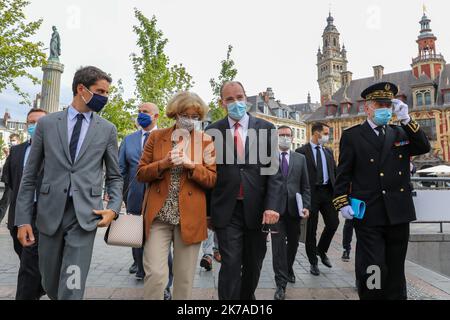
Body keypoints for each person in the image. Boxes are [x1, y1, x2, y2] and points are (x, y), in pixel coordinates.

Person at [15, 66, 123, 300]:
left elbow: (115, 176)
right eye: (100, 91)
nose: (105, 98)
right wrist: (23, 219)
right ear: (81, 89)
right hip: (49, 212)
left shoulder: (107, 130)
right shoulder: (48, 124)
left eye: (107, 93)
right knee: (50, 280)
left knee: (72, 282)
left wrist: (113, 208)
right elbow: (30, 175)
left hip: (84, 214)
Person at [333, 82, 431, 300]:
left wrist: (407, 119)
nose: (386, 109)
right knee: (373, 266)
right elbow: (343, 174)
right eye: (380, 104)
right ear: (367, 108)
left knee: (396, 268)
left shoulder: (399, 132)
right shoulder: (353, 136)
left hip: (399, 212)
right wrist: (342, 202)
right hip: (370, 213)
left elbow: (424, 147)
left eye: (389, 104)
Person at [206, 81, 283, 300]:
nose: (236, 102)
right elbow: (208, 175)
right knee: (230, 263)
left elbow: (274, 173)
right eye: (229, 99)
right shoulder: (212, 131)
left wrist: (272, 206)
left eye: (239, 97)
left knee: (254, 263)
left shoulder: (266, 129)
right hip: (226, 210)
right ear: (222, 103)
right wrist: (207, 211)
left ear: (246, 99)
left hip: (258, 210)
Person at [137, 91, 216, 300]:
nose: (189, 120)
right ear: (175, 113)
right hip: (158, 218)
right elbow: (141, 173)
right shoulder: (156, 136)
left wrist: (192, 166)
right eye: (185, 114)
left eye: (195, 117)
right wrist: (164, 164)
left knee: (184, 279)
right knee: (155, 274)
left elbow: (211, 179)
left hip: (189, 218)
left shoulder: (205, 141)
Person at [4, 108, 47, 299]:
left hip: (42, 214)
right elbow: (11, 183)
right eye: (31, 122)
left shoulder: (55, 153)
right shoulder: (16, 151)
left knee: (29, 267)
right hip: (19, 215)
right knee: (28, 261)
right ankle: (40, 288)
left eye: (39, 122)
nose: (34, 125)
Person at [119, 102, 159, 281]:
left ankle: (155, 267)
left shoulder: (165, 137)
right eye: (139, 112)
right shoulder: (129, 140)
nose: (141, 114)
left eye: (145, 112)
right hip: (134, 193)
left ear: (156, 116)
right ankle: (139, 265)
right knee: (135, 230)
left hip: (158, 193)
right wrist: (119, 195)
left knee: (157, 232)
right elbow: (121, 169)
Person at [271, 125, 311, 300]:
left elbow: (306, 186)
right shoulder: (269, 158)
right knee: (278, 248)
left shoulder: (300, 159)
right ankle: (281, 284)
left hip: (295, 209)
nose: (285, 138)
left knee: (293, 244)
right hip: (275, 211)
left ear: (293, 138)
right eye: (281, 135)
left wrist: (306, 206)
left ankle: (288, 268)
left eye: (288, 135)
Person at [296, 122, 339, 276]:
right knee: (311, 231)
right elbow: (297, 176)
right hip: (311, 194)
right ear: (316, 133)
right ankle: (313, 262)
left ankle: (321, 250)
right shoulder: (301, 151)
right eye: (326, 133)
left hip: (327, 193)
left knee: (334, 223)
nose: (328, 136)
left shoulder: (328, 152)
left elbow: (335, 172)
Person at [0, 134, 21, 223]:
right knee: (9, 201)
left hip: (14, 181)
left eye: (13, 140)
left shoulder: (19, 151)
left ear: (18, 141)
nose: (12, 142)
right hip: (9, 180)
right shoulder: (12, 151)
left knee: (5, 202)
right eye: (11, 140)